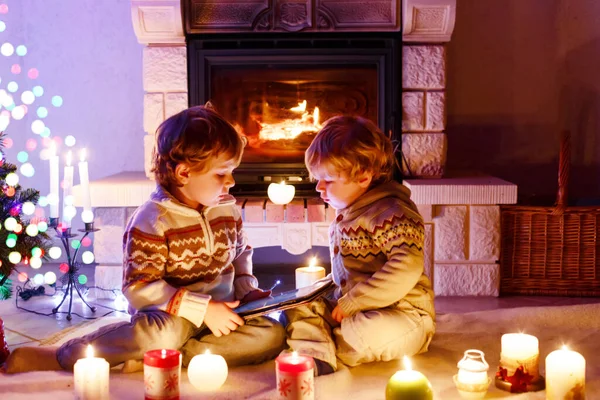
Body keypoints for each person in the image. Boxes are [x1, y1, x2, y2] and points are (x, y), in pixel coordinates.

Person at [5, 106, 286, 373]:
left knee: (272, 334)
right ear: (184, 173)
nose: (231, 182)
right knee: (158, 337)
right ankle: (66, 354)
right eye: (222, 173)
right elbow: (138, 287)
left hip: (225, 313)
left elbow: (240, 256)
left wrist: (247, 290)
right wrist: (201, 310)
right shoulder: (152, 221)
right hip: (170, 317)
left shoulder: (227, 209)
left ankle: (171, 357)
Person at [284, 115, 435, 376]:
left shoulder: (393, 213)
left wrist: (354, 302)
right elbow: (350, 272)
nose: (319, 188)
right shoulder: (350, 211)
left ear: (363, 177)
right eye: (317, 179)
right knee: (299, 304)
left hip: (403, 315)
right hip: (353, 307)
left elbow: (407, 266)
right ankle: (318, 352)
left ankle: (325, 343)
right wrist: (318, 294)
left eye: (328, 180)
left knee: (364, 333)